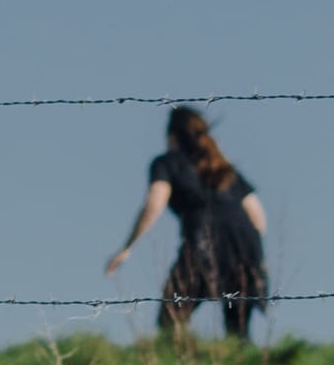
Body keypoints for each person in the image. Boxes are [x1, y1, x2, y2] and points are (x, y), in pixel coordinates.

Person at [107, 106, 269, 339]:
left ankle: (176, 362)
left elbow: (154, 204)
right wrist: (254, 252)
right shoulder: (222, 168)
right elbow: (257, 215)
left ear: (171, 137)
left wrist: (127, 247)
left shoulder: (167, 163)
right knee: (238, 326)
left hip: (204, 243)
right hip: (245, 247)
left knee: (171, 314)